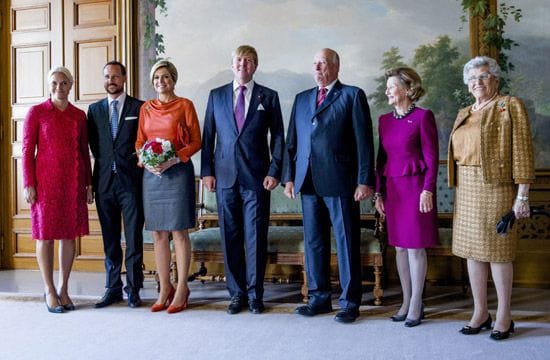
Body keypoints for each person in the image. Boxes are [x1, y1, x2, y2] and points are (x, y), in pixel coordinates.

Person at [283, 48, 375, 323]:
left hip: (341, 182)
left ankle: (349, 303)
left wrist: (364, 180)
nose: (317, 68)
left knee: (346, 242)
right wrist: (289, 177)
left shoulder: (352, 95)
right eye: (314, 63)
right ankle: (319, 298)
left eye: (322, 63)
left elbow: (364, 142)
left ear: (336, 66)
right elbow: (291, 142)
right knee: (314, 243)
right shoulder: (301, 99)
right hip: (308, 182)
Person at [449, 56, 535, 340]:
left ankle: (504, 316)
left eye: (483, 77)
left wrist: (521, 196)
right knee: (473, 251)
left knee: (498, 252)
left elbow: (522, 153)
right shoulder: (465, 112)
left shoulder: (509, 105)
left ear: (495, 79)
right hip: (467, 188)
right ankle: (480, 311)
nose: (477, 83)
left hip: (497, 187)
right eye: (472, 79)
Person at [201, 45, 285, 315]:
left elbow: (280, 138)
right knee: (231, 237)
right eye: (239, 60)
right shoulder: (216, 96)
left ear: (255, 66)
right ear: (232, 63)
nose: (243, 65)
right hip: (224, 178)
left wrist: (274, 171)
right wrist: (207, 172)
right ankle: (236, 294)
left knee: (256, 237)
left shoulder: (268, 97)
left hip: (258, 179)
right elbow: (208, 137)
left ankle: (255, 294)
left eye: (249, 61)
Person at [22, 66, 93, 313]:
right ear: (48, 85)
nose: (59, 87)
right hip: (45, 183)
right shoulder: (37, 112)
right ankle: (49, 290)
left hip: (72, 181)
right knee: (45, 235)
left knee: (68, 234)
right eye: (54, 83)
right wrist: (28, 183)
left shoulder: (78, 115)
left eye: (64, 83)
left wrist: (88, 183)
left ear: (71, 86)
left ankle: (63, 289)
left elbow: (85, 152)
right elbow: (27, 151)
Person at [374, 67, 439, 327]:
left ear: (408, 88)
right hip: (393, 190)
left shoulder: (424, 117)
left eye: (391, 86)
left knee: (415, 246)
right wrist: (378, 191)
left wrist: (428, 189)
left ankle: (416, 303)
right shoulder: (384, 121)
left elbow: (432, 158)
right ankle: (406, 299)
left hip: (416, 189)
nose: (387, 90)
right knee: (399, 246)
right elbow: (381, 160)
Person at [136, 59, 201, 314]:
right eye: (156, 79)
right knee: (158, 233)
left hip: (178, 172)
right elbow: (140, 141)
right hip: (152, 177)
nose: (160, 82)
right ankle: (165, 287)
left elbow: (196, 141)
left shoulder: (185, 105)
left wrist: (175, 158)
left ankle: (183, 287)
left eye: (165, 77)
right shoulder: (146, 109)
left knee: (178, 232)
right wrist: (144, 160)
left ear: (173, 79)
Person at [88, 61, 145, 308]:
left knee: (133, 239)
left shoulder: (139, 107)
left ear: (124, 78)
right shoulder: (94, 110)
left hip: (131, 183)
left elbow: (143, 142)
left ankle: (133, 289)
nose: (111, 80)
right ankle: (112, 288)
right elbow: (92, 146)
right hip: (104, 183)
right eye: (107, 76)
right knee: (110, 240)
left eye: (115, 76)